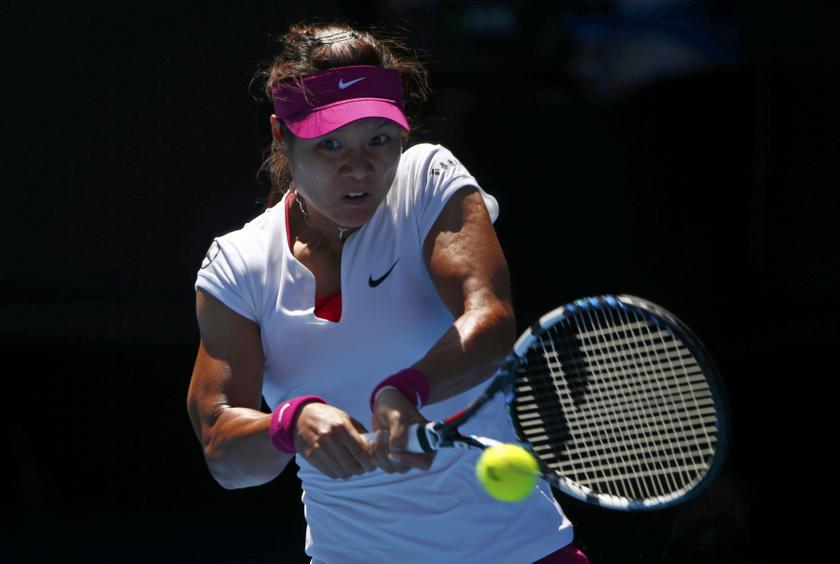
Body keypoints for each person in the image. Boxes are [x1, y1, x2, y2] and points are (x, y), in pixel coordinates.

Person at [187, 21, 590, 564]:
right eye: (330, 144)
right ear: (282, 135)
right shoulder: (239, 264)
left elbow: (488, 316)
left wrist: (407, 389)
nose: (361, 167)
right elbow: (224, 453)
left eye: (379, 139)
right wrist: (291, 423)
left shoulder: (427, 179)